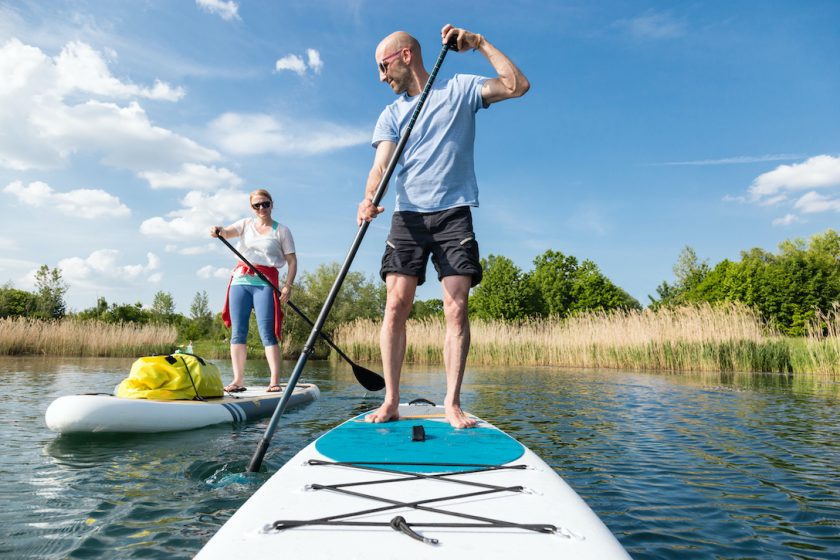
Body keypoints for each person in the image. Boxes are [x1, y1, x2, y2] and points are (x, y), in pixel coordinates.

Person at [357, 24, 529, 428]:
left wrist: (480, 43)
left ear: (404, 55)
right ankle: (392, 401)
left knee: (456, 308)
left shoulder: (460, 90)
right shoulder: (393, 113)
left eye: (383, 67)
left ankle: (452, 403)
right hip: (408, 217)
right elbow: (381, 165)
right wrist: (368, 198)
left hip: (453, 213)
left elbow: (517, 85)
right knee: (396, 306)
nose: (382, 78)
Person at [210, 189, 296, 393]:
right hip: (239, 282)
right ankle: (238, 380)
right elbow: (225, 232)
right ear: (252, 208)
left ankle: (274, 381)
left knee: (267, 333)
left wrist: (288, 286)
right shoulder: (245, 224)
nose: (261, 208)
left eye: (265, 204)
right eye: (256, 205)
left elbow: (292, 262)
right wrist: (217, 230)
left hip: (265, 284)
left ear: (271, 204)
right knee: (238, 333)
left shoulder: (282, 231)